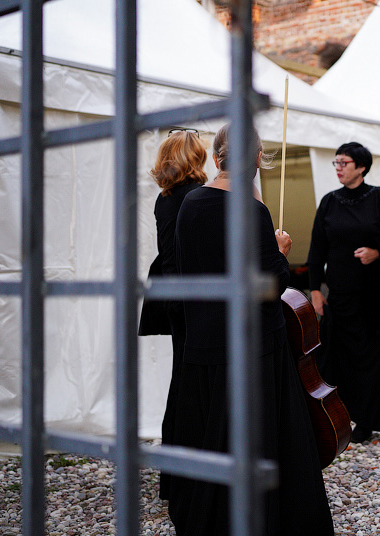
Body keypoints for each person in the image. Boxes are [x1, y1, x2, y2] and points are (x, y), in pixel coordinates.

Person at [169, 124, 333, 535]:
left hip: (206, 341)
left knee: (216, 436)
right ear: (256, 158)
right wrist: (279, 252)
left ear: (217, 156)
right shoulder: (252, 210)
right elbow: (272, 283)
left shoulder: (190, 203)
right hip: (254, 345)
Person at [306, 142, 380, 446]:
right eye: (336, 162)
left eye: (344, 162)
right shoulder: (329, 202)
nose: (338, 167)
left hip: (379, 296)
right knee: (350, 362)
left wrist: (378, 251)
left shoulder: (379, 198)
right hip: (342, 297)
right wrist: (316, 290)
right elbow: (317, 250)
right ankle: (363, 421)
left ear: (361, 167)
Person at [138, 128, 208, 501]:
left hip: (175, 295)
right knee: (188, 385)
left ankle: (176, 475)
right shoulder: (191, 197)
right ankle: (185, 474)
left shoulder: (166, 197)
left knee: (181, 382)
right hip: (189, 299)